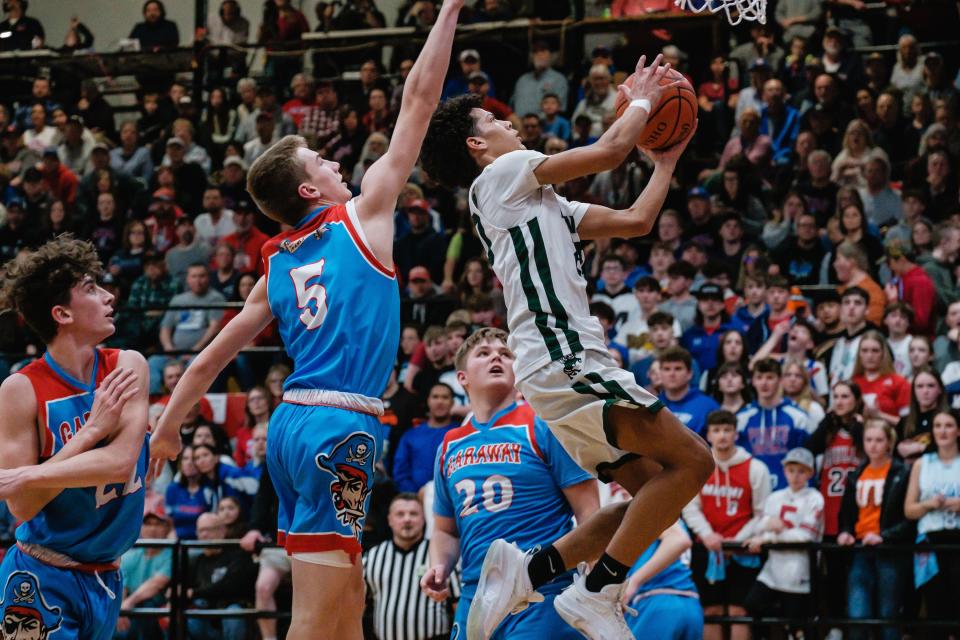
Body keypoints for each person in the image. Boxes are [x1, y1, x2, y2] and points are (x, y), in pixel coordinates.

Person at [150, 4, 466, 638]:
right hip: (337, 425)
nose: (337, 164)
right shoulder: (365, 215)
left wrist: (168, 428)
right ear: (309, 191)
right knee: (319, 614)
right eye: (322, 161)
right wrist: (451, 7)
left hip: (293, 425)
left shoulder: (276, 266)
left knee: (345, 603)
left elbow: (210, 357)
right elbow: (419, 102)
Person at [421, 54, 714, 639]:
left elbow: (635, 221)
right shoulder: (500, 177)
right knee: (696, 461)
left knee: (653, 492)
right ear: (478, 145)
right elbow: (607, 153)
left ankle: (535, 568)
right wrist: (643, 99)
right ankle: (598, 590)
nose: (510, 124)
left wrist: (666, 161)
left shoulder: (539, 201)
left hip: (556, 366)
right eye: (495, 120)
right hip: (563, 356)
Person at [0, 236, 150, 640]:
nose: (108, 296)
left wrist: (31, 474)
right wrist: (91, 432)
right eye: (91, 288)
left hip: (107, 576)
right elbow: (23, 504)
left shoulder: (128, 365)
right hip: (40, 575)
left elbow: (120, 464)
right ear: (62, 313)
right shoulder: (20, 389)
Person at [420, 327, 598, 639]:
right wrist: (439, 567)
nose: (496, 359)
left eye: (505, 354)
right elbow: (446, 530)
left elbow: (589, 511)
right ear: (462, 378)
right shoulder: (448, 445)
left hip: (542, 590)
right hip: (475, 594)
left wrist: (598, 579)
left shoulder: (543, 424)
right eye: (484, 354)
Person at [682, 410, 771, 640]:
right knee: (710, 611)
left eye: (727, 430)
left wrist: (736, 541)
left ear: (735, 434)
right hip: (707, 548)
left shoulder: (755, 468)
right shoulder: (699, 467)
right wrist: (708, 535)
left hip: (742, 552)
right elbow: (690, 506)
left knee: (739, 611)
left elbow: (762, 512)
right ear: (708, 435)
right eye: (717, 430)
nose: (722, 435)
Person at [838, 420, 913, 640]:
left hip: (890, 550)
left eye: (879, 440)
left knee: (888, 613)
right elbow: (846, 513)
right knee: (857, 613)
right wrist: (845, 531)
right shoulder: (856, 474)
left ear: (889, 443)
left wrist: (884, 536)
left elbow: (909, 519)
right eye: (869, 440)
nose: (873, 445)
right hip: (861, 549)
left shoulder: (902, 473)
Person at [743, 447, 823, 639]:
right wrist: (768, 525)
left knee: (796, 625)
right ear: (784, 470)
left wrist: (770, 537)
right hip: (773, 568)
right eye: (791, 470)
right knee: (753, 604)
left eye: (801, 471)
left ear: (810, 473)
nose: (795, 476)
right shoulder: (775, 497)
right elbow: (760, 524)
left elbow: (805, 536)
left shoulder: (815, 498)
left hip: (799, 570)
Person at [367, 493, 458, 640]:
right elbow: (357, 605)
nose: (407, 519)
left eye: (413, 514)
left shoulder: (439, 556)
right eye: (400, 514)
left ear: (423, 519)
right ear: (390, 520)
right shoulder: (373, 556)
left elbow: (458, 605)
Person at [904, 409, 960, 640]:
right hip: (929, 539)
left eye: (948, 425)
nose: (942, 431)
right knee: (935, 604)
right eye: (938, 425)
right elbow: (909, 510)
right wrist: (928, 504)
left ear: (958, 430)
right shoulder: (921, 464)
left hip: (957, 538)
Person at [737, 358, 810, 490]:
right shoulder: (742, 418)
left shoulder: (798, 417)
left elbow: (806, 457)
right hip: (752, 489)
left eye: (770, 377)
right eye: (759, 377)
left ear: (780, 380)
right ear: (753, 381)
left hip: (788, 491)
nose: (764, 383)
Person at [621, 521, 702, 640]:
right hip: (690, 603)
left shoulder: (648, 506)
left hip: (657, 601)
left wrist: (633, 582)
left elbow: (679, 540)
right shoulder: (672, 514)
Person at [187, 511, 257, 640]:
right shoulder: (196, 560)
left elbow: (230, 586)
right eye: (201, 530)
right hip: (205, 614)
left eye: (209, 529)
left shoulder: (238, 554)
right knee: (183, 616)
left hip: (231, 607)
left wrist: (195, 592)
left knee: (233, 614)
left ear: (222, 531)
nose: (204, 534)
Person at [115, 503, 173, 640]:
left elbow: (156, 583)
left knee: (147, 607)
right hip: (132, 607)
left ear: (167, 528)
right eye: (148, 524)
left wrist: (127, 604)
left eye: (158, 524)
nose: (152, 529)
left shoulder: (172, 553)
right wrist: (119, 611)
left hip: (159, 607)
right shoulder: (131, 555)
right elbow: (122, 585)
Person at [392, 383, 458, 493]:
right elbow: (400, 473)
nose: (440, 401)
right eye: (435, 397)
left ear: (452, 402)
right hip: (415, 501)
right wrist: (416, 494)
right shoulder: (411, 435)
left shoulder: (460, 433)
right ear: (428, 401)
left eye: (445, 397)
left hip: (452, 499)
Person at [851, 330, 911, 427]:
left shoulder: (899, 382)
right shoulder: (852, 382)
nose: (869, 356)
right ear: (859, 354)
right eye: (864, 350)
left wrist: (879, 415)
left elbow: (908, 424)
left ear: (884, 353)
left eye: (875, 351)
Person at [658, 346, 719, 437]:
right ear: (660, 373)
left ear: (690, 374)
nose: (672, 374)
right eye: (667, 369)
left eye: (678, 368)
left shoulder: (708, 406)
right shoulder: (652, 405)